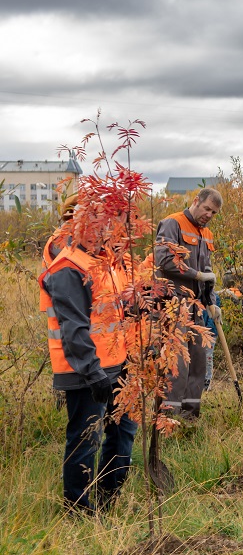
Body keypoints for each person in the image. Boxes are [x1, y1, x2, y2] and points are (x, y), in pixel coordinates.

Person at [40, 212, 137, 513]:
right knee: (86, 439)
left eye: (106, 224)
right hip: (84, 371)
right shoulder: (68, 267)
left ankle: (109, 496)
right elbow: (73, 328)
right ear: (78, 226)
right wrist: (93, 373)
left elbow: (119, 311)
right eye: (94, 225)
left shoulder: (106, 260)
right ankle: (78, 509)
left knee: (123, 431)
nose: (102, 231)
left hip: (118, 363)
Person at [154, 188, 222, 419]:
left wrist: (211, 302)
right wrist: (196, 276)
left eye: (214, 212)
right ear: (196, 202)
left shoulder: (207, 234)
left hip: (197, 307)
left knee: (197, 362)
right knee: (177, 364)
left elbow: (208, 272)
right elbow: (164, 260)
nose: (209, 215)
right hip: (174, 305)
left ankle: (190, 415)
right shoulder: (173, 223)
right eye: (207, 209)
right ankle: (168, 418)